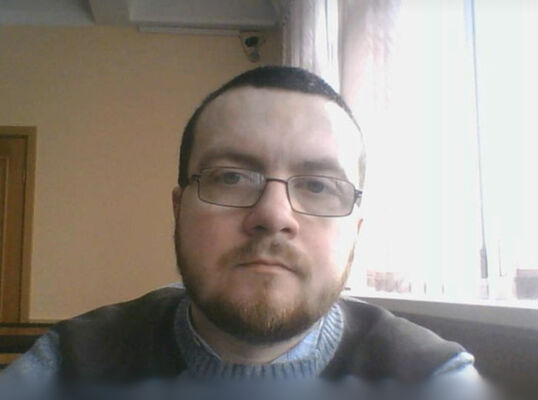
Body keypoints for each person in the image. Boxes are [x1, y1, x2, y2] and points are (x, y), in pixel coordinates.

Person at [1, 66, 485, 398]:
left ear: (355, 230)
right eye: (231, 177)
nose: (273, 215)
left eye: (318, 186)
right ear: (179, 210)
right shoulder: (72, 363)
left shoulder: (429, 377)